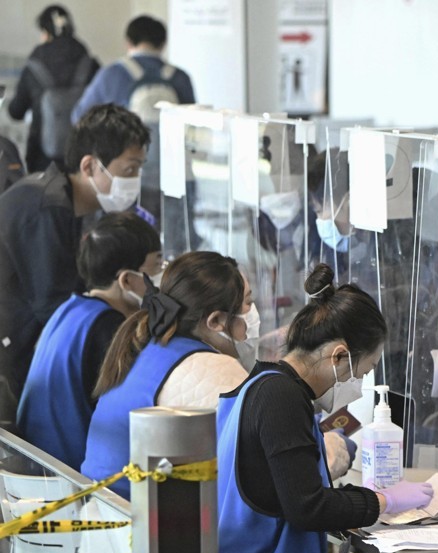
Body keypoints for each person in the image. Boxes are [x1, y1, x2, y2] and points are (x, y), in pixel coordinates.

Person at [216, 263, 438, 553]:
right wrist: (382, 501)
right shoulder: (281, 401)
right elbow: (307, 507)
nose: (359, 384)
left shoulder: (260, 386)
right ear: (339, 356)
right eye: (364, 370)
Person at [0, 103, 149, 417]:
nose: (135, 180)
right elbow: (54, 305)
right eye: (129, 170)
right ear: (90, 166)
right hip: (15, 360)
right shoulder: (48, 208)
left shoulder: (62, 202)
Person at [79, 251, 252, 497]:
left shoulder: (148, 346)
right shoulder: (211, 369)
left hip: (104, 508)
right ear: (215, 321)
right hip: (136, 522)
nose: (253, 312)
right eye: (247, 303)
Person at [16, 212, 162, 469]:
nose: (163, 276)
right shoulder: (109, 328)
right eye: (157, 266)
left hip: (36, 464)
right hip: (71, 476)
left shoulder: (70, 309)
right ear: (126, 280)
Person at [7, 5, 99, 172]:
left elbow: (16, 111)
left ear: (45, 32)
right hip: (84, 159)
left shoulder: (34, 66)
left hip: (42, 159)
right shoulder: (90, 64)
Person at [72, 15, 195, 123]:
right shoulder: (180, 77)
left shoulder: (111, 74)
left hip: (125, 148)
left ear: (128, 42)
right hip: (170, 149)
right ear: (163, 44)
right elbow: (193, 123)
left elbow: (79, 116)